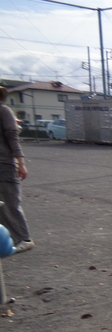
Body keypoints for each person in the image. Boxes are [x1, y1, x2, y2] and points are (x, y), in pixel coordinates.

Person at [0, 86, 33, 253]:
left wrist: (21, 163)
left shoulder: (4, 111)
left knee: (10, 204)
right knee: (1, 207)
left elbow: (13, 138)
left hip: (4, 165)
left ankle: (24, 239)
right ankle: (8, 239)